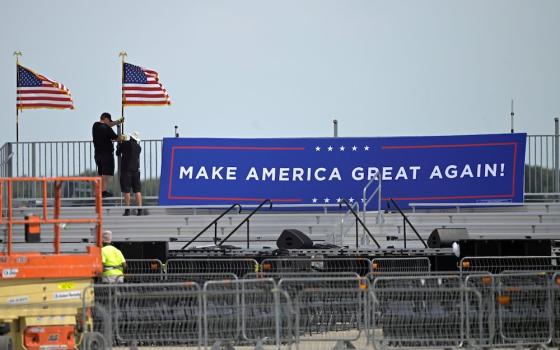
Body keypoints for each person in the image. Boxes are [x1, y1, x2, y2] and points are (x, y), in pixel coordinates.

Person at [92, 112, 124, 197]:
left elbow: (108, 125)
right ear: (105, 118)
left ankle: (97, 191)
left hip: (97, 154)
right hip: (106, 154)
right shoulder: (106, 128)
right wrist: (122, 137)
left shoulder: (95, 126)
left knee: (100, 173)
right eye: (109, 120)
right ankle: (103, 191)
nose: (110, 122)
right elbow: (116, 137)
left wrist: (117, 122)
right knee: (106, 174)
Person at [116, 131, 144, 216]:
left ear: (130, 137)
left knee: (127, 190)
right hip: (136, 170)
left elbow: (118, 153)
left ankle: (127, 210)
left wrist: (120, 143)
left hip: (126, 170)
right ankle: (139, 210)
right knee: (137, 191)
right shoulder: (139, 147)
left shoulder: (125, 144)